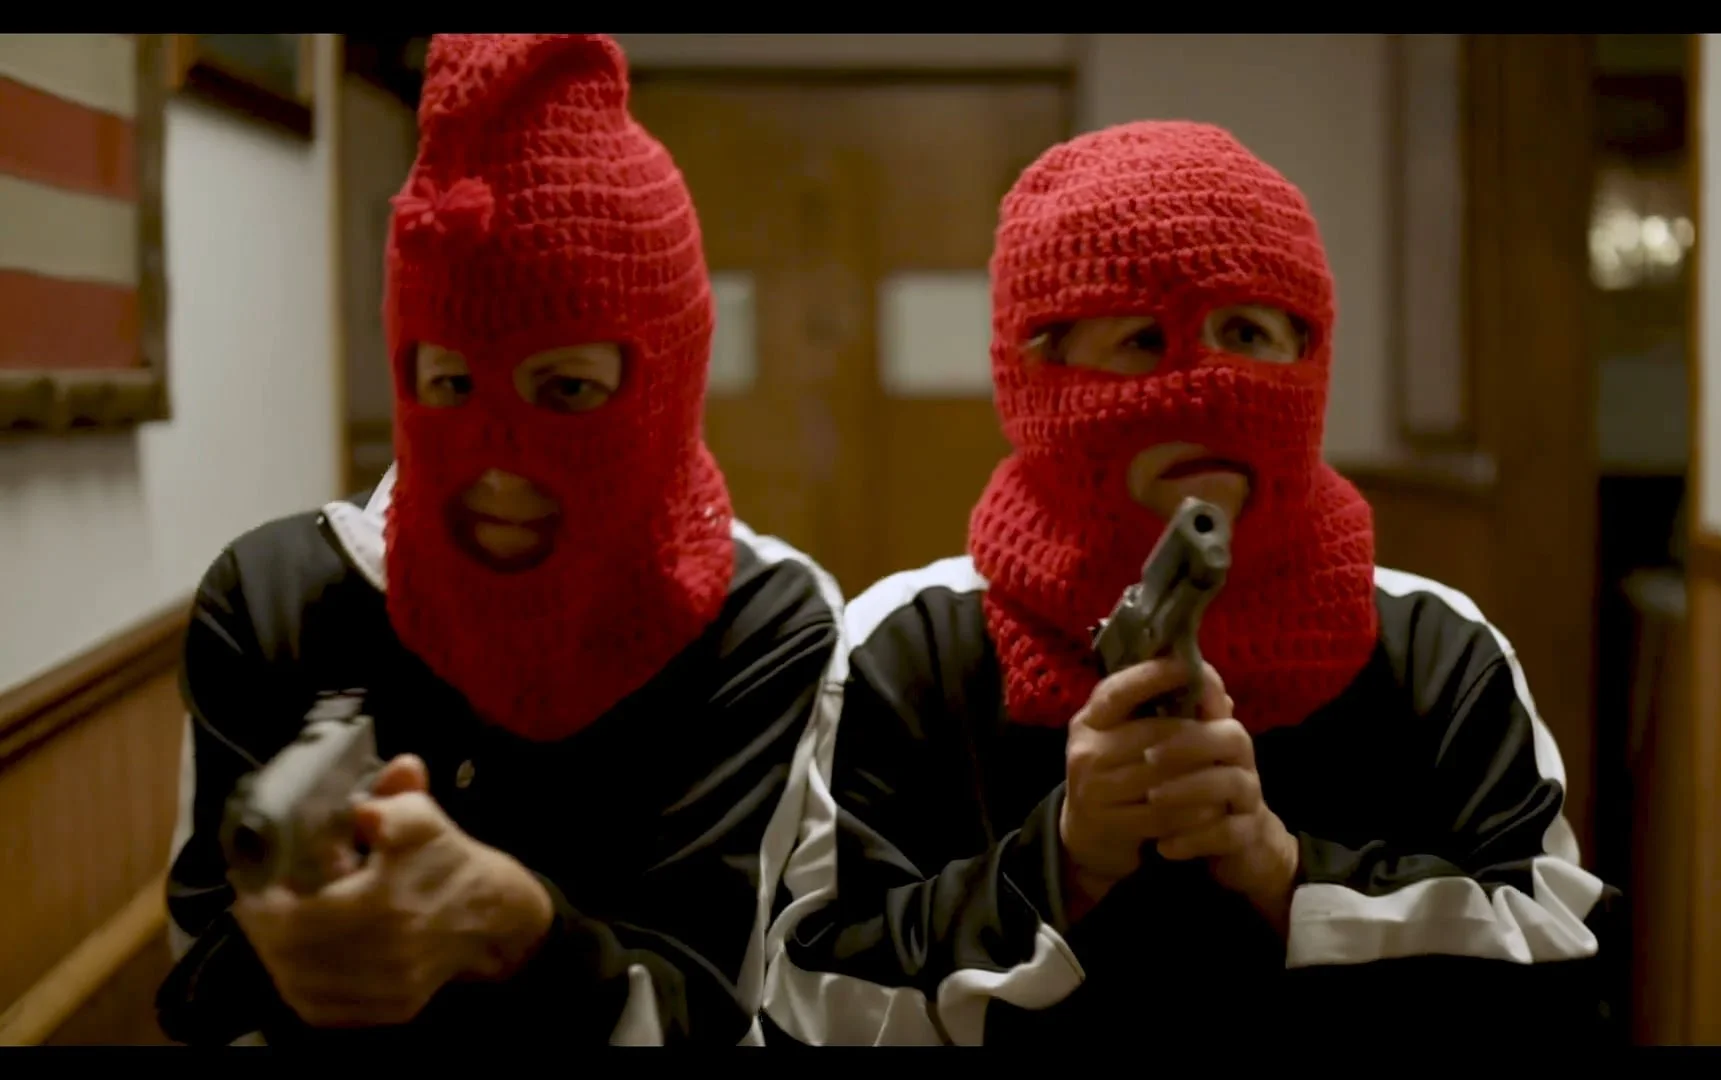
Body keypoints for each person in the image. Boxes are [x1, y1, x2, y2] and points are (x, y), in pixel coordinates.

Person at [761, 120, 1622, 1046]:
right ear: (1039, 371)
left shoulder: (1439, 651)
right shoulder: (906, 649)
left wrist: (1289, 877)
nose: (1208, 385)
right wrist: (1059, 867)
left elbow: (1564, 977)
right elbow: (809, 1004)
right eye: (1141, 338)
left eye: (1246, 332)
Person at [156, 34, 843, 1047]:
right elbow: (197, 987)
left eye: (566, 389)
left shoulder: (761, 622)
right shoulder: (276, 596)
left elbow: (724, 1002)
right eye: (452, 384)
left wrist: (525, 939)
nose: (500, 466)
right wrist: (297, 947)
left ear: (660, 387)